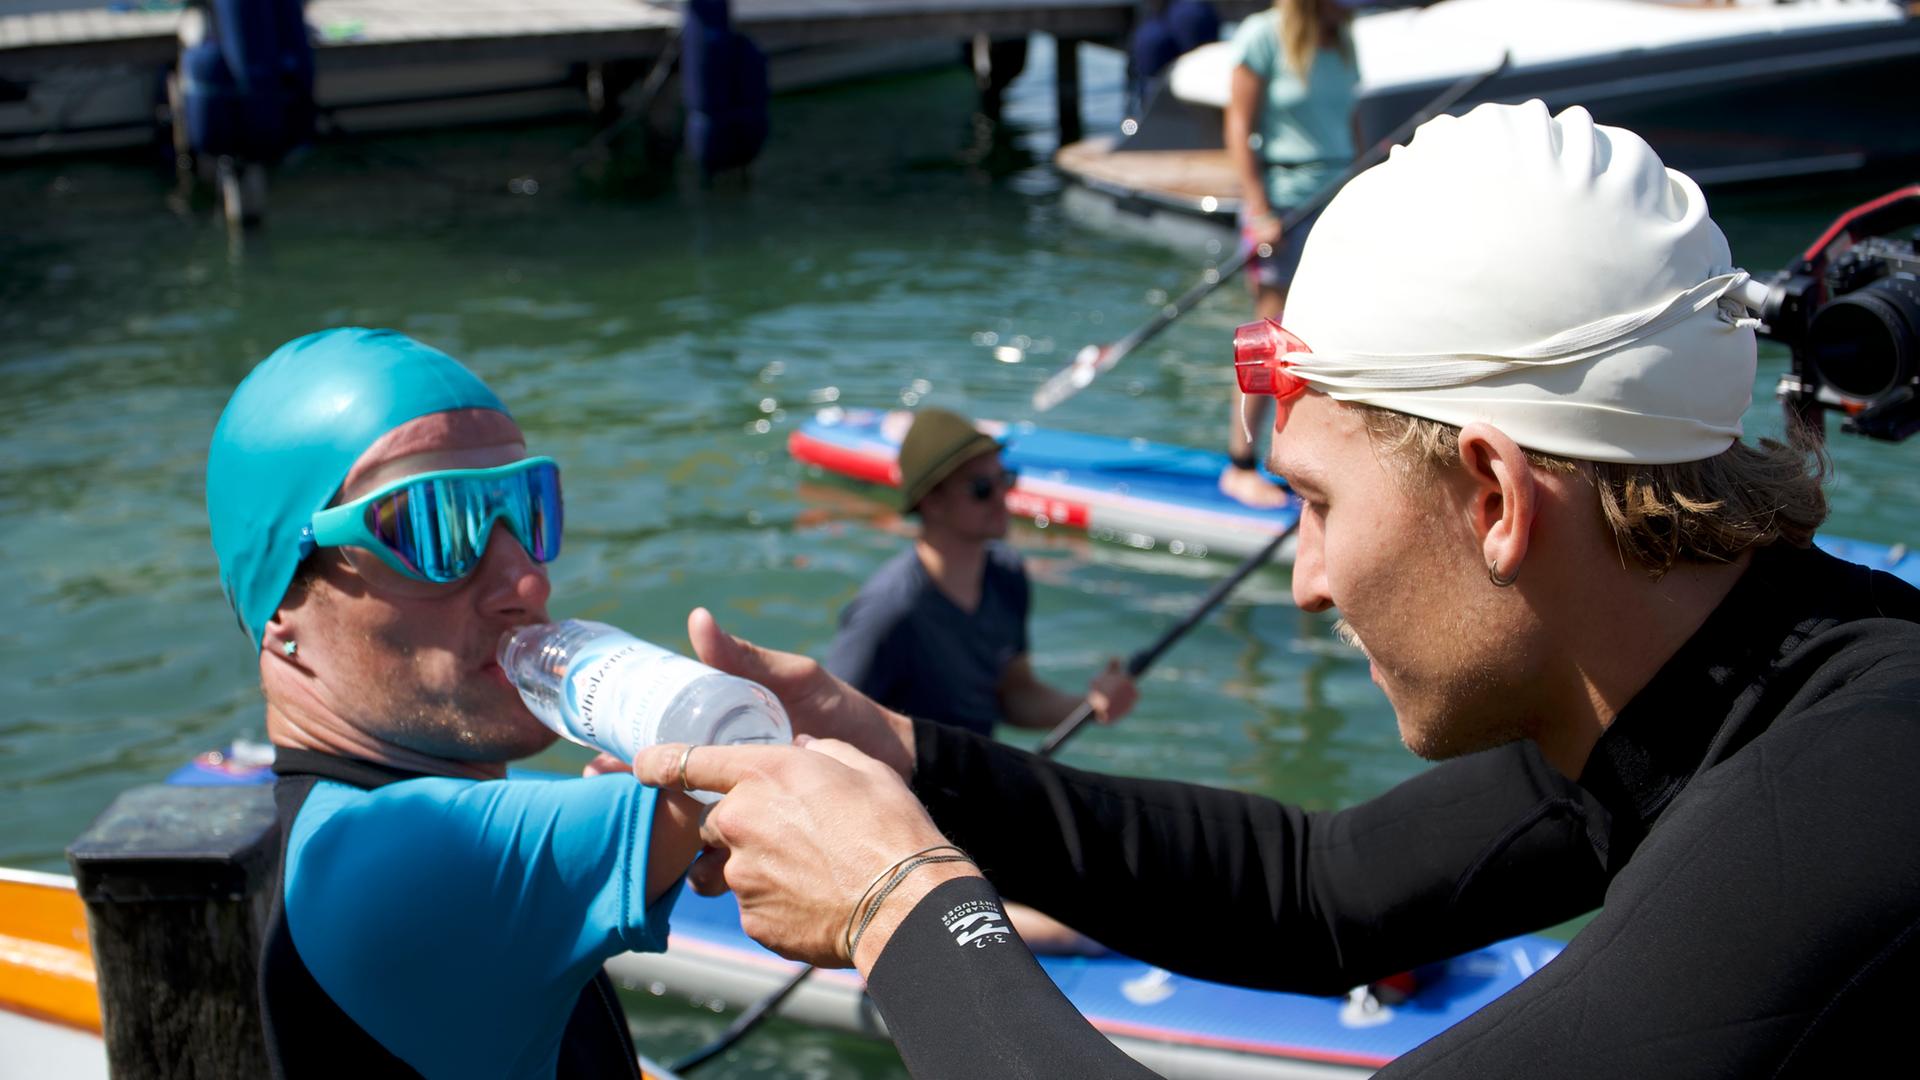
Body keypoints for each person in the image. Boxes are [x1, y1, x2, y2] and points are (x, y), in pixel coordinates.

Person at [634, 102, 1920, 1077]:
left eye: (1315, 502)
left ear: (1495, 498)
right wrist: (905, 755)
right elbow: (1322, 889)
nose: (1304, 582)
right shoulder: (1710, 677)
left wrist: (894, 905)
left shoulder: (1847, 805)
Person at [205, 328, 704, 1078]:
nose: (526, 582)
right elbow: (751, 774)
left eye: (528, 510)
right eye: (432, 526)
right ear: (282, 605)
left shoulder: (358, 828)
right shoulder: (382, 859)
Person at [824, 407, 1138, 737]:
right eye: (981, 488)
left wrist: (1088, 706)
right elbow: (832, 724)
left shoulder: (1007, 574)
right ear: (932, 502)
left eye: (1005, 479)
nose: (1002, 496)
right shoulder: (888, 610)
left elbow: (1014, 696)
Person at [1220, 0, 1359, 508]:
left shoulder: (1341, 37)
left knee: (1328, 336)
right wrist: (1258, 210)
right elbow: (1238, 125)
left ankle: (1309, 463)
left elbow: (1352, 122)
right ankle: (1239, 464)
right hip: (1283, 201)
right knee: (1272, 332)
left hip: (1337, 197)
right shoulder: (1262, 35)